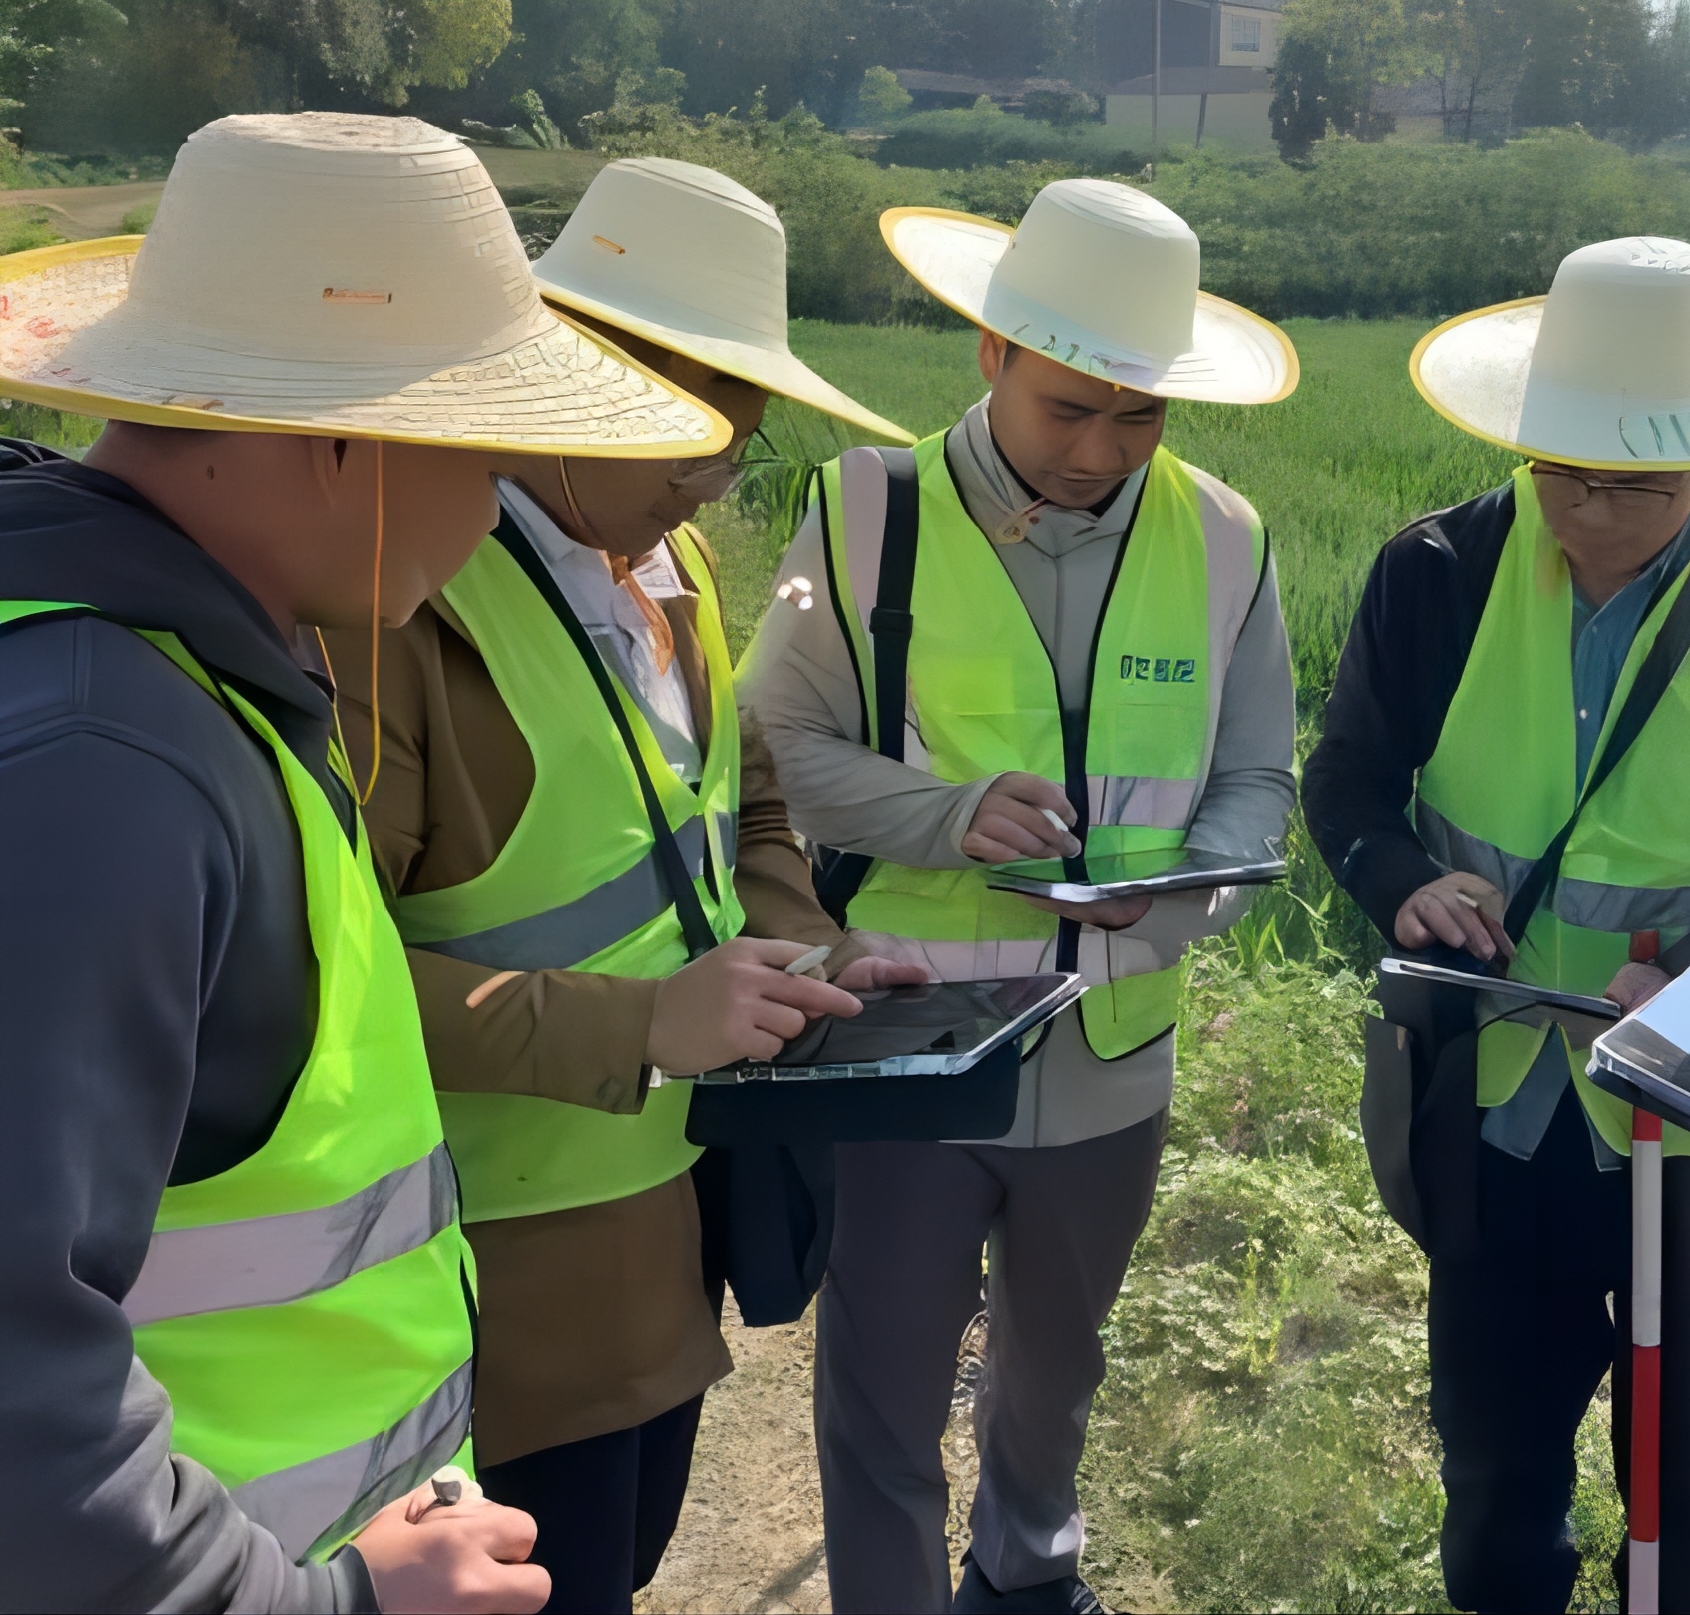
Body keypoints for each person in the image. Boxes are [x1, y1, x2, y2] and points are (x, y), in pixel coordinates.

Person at [0, 114, 730, 1610]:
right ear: (348, 439)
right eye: (486, 458)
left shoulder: (197, 677)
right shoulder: (105, 766)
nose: (493, 516)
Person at [325, 157, 926, 1613]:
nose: (713, 476)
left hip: (673, 1220)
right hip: (499, 1265)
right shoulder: (399, 611)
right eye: (690, 437)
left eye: (741, 440)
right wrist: (644, 1026)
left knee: (631, 1555)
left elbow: (745, 807)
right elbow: (325, 983)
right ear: (570, 374)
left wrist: (805, 949)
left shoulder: (673, 570)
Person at [740, 178, 1299, 1612]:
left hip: (1113, 1059)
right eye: (1069, 409)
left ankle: (1027, 1572)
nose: (1100, 452)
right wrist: (944, 816)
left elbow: (1254, 784)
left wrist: (1177, 899)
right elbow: (778, 746)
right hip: (915, 1045)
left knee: (1058, 1361)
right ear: (991, 353)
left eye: (1140, 416)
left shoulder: (1228, 537)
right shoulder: (863, 512)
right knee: (886, 1375)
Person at [1302, 236, 1690, 1612]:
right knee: (1493, 1457)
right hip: (1494, 1110)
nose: (1599, 516)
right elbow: (1349, 779)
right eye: (1568, 473)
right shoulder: (1436, 572)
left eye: (1643, 485)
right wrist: (1402, 881)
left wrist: (1688, 988)